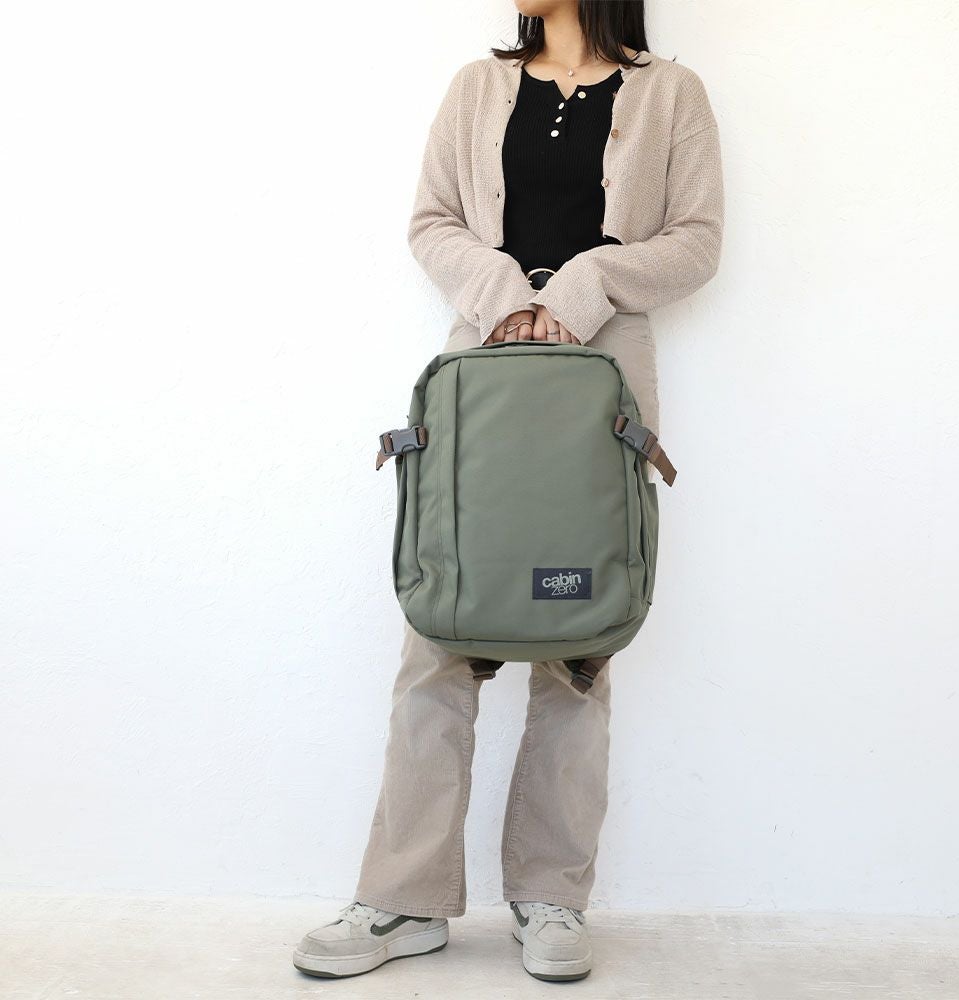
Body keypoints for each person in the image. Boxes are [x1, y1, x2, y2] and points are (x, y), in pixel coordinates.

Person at [292, 0, 724, 983]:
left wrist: (579, 289)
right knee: (441, 632)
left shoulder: (672, 94)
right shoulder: (476, 87)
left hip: (602, 378)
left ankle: (550, 897)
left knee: (579, 641)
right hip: (479, 370)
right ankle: (404, 901)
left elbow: (696, 241)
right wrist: (504, 300)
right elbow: (431, 223)